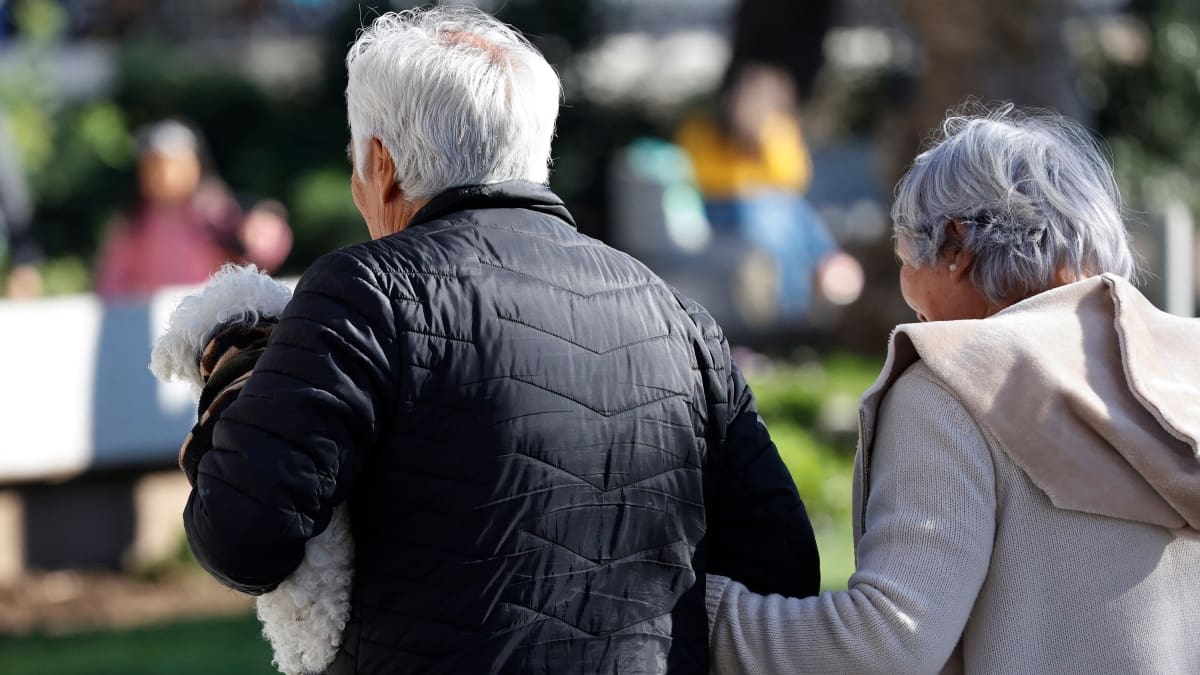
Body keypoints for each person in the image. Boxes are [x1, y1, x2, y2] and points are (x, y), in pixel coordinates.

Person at [178, 8, 820, 675]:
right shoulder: (679, 318)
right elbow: (780, 568)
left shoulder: (363, 293)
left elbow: (242, 539)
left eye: (355, 163)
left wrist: (236, 389)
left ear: (382, 165)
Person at [706, 105, 1200, 674]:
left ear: (956, 248)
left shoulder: (954, 384)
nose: (908, 296)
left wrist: (692, 609)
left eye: (903, 259)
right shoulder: (1180, 367)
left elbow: (886, 645)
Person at [94, 119, 291, 300]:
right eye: (154, 167)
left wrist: (261, 232)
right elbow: (111, 281)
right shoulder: (133, 223)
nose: (164, 175)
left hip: (208, 312)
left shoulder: (213, 210)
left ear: (196, 165)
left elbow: (263, 247)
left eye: (174, 165)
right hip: (154, 317)